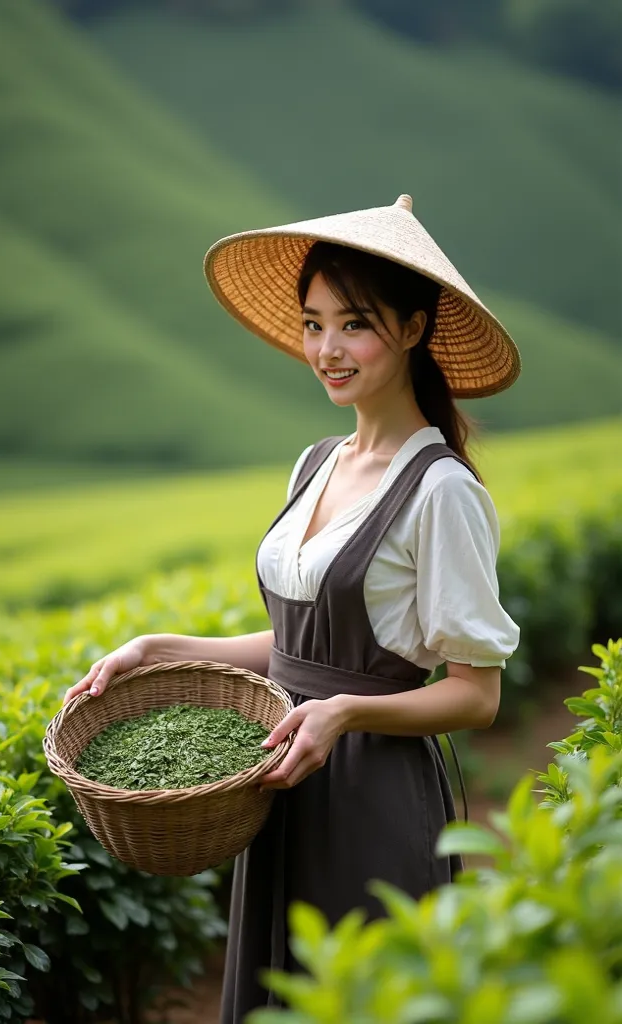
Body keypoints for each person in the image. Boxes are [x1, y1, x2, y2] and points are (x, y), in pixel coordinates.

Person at [64, 194, 521, 1022]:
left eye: (354, 324)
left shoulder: (442, 491)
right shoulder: (315, 463)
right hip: (273, 783)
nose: (327, 350)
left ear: (414, 329)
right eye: (313, 324)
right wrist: (157, 647)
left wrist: (344, 716)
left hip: (370, 793)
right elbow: (300, 648)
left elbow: (477, 693)